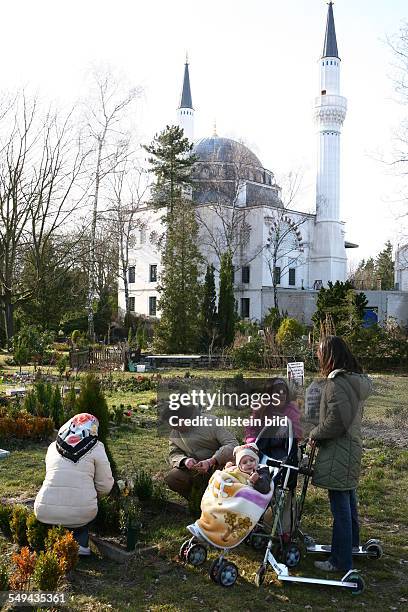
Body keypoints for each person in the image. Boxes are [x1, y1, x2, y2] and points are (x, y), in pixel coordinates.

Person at [309, 335, 372, 573]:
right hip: (350, 448)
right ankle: (351, 546)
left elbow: (337, 422)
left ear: (329, 356)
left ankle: (339, 561)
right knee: (348, 501)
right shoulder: (353, 381)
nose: (318, 357)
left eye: (320, 353)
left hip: (338, 450)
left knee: (340, 509)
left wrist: (315, 433)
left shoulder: (337, 384)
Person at [34, 413, 114, 556]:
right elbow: (105, 486)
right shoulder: (96, 447)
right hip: (81, 513)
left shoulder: (53, 447)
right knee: (81, 513)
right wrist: (94, 495)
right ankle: (80, 542)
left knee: (60, 511)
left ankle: (53, 539)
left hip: (44, 509)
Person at [163, 404, 238, 500]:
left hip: (219, 466)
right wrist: (185, 461)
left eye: (175, 424)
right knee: (173, 478)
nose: (173, 428)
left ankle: (222, 503)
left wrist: (212, 461)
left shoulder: (212, 422)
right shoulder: (175, 431)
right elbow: (174, 453)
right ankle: (197, 502)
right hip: (194, 470)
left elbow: (232, 444)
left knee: (229, 476)